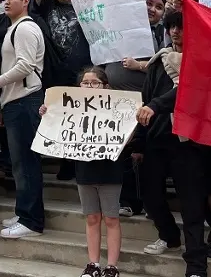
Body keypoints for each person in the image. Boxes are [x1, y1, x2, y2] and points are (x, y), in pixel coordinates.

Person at [135, 10, 208, 277]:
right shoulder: (158, 61)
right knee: (150, 197)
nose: (175, 32)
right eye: (171, 27)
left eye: (181, 27)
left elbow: (186, 91)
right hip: (157, 140)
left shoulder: (199, 60)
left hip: (187, 144)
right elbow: (146, 99)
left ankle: (197, 266)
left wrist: (155, 106)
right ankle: (169, 236)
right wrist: (140, 144)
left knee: (192, 205)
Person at [40, 66, 123, 277]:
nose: (89, 86)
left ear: (106, 86)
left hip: (110, 168)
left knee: (111, 218)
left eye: (94, 82)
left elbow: (126, 135)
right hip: (84, 168)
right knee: (91, 218)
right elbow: (56, 127)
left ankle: (112, 266)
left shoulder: (117, 108)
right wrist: (47, 112)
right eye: (85, 83)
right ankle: (93, 264)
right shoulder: (73, 108)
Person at [0, 0, 46, 239]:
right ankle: (25, 212)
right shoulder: (15, 28)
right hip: (15, 101)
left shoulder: (26, 27)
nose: (6, 2)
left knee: (26, 162)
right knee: (20, 163)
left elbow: (25, 66)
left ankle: (31, 220)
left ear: (26, 1)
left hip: (25, 100)